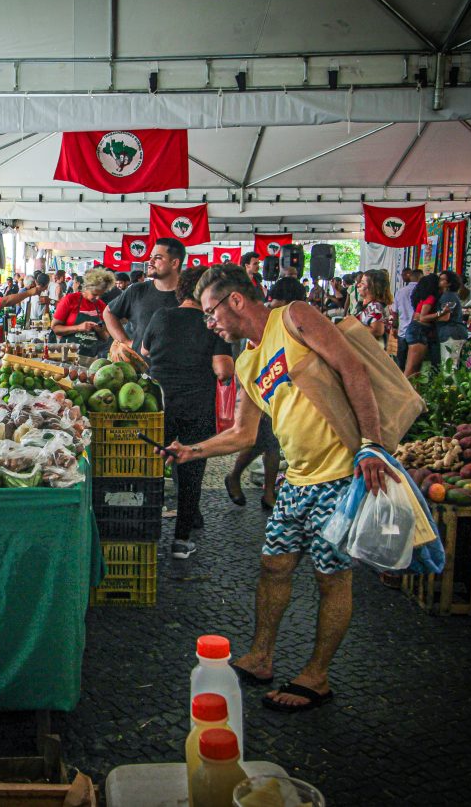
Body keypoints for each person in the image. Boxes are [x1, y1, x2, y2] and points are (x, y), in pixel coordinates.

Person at [166, 263, 392, 712]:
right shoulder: (247, 361)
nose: (210, 323)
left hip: (340, 475)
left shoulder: (295, 317)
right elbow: (242, 434)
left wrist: (373, 445)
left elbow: (353, 369)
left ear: (235, 301)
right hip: (297, 479)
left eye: (212, 313)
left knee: (331, 577)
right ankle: (261, 656)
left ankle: (317, 676)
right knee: (273, 567)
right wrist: (193, 451)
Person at [141, 267, 234, 558]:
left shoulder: (161, 316)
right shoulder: (211, 323)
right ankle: (181, 540)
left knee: (153, 468)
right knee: (192, 470)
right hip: (197, 406)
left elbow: (144, 352)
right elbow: (223, 370)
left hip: (161, 405)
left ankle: (144, 531)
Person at [226, 276, 308, 511]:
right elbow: (250, 362)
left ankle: (255, 486)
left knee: (265, 444)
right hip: (265, 393)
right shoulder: (264, 323)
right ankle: (263, 489)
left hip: (282, 394)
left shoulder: (286, 320)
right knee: (264, 443)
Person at [104, 237, 183, 352]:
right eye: (151, 257)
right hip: (139, 366)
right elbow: (109, 312)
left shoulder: (190, 295)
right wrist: (126, 342)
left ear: (174, 263)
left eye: (158, 258)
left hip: (177, 367)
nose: (150, 261)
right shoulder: (137, 290)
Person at [51, 268, 115, 357]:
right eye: (95, 294)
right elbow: (55, 328)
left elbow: (106, 337)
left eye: (101, 295)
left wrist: (100, 331)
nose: (98, 298)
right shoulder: (69, 300)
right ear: (86, 288)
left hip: (91, 357)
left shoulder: (101, 305)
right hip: (68, 355)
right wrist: (78, 327)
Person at [403, 272, 442, 378]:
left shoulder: (422, 298)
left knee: (415, 369)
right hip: (419, 331)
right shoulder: (431, 298)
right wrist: (440, 313)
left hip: (415, 329)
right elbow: (422, 317)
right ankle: (403, 393)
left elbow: (416, 316)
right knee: (412, 369)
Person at [436, 269, 470, 365]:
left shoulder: (448, 296)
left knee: (449, 365)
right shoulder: (450, 296)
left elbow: (445, 317)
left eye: (442, 279)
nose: (439, 281)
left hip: (451, 332)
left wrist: (429, 318)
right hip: (454, 332)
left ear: (449, 283)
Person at [392, 268, 421, 370]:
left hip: (403, 330)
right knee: (415, 363)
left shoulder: (400, 292)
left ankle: (400, 382)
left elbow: (394, 311)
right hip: (418, 331)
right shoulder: (424, 292)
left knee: (401, 360)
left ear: (410, 276)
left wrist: (394, 327)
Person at [354, 269, 392, 346]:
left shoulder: (375, 307)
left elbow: (377, 331)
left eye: (362, 283)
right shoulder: (371, 305)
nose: (358, 285)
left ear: (372, 287)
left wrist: (353, 325)